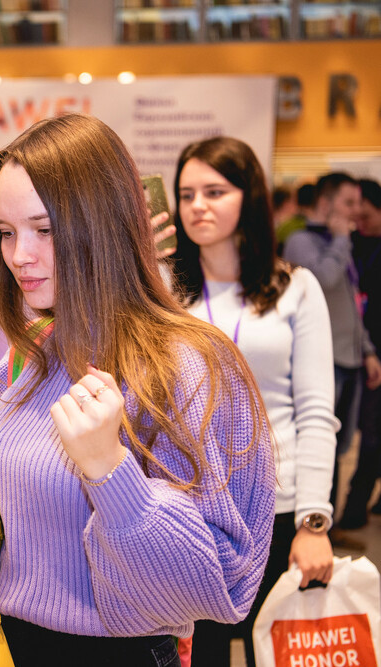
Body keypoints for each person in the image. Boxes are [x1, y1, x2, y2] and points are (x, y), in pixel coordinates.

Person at [0, 114, 275, 667]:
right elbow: (21, 520)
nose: (19, 255)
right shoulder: (33, 353)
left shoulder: (188, 364)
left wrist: (110, 472)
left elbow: (223, 582)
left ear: (103, 224)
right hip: (4, 645)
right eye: (6, 232)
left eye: (44, 230)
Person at [170, 136, 337, 667]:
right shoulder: (166, 293)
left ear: (249, 197)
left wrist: (314, 521)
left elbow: (316, 413)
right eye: (186, 194)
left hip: (277, 505)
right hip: (192, 511)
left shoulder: (296, 288)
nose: (198, 206)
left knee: (280, 651)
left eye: (214, 192)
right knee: (201, 656)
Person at [283, 173, 381, 505]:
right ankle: (312, 519)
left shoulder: (341, 243)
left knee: (338, 448)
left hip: (349, 359)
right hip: (323, 362)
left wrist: (367, 350)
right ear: (326, 203)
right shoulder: (300, 241)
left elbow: (351, 302)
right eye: (348, 202)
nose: (356, 210)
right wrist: (341, 240)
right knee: (318, 442)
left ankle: (329, 520)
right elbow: (322, 281)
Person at [338, 178, 381, 529]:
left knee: (373, 433)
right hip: (362, 348)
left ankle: (357, 505)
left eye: (365, 215)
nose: (359, 222)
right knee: (368, 431)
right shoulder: (351, 243)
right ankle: (355, 506)